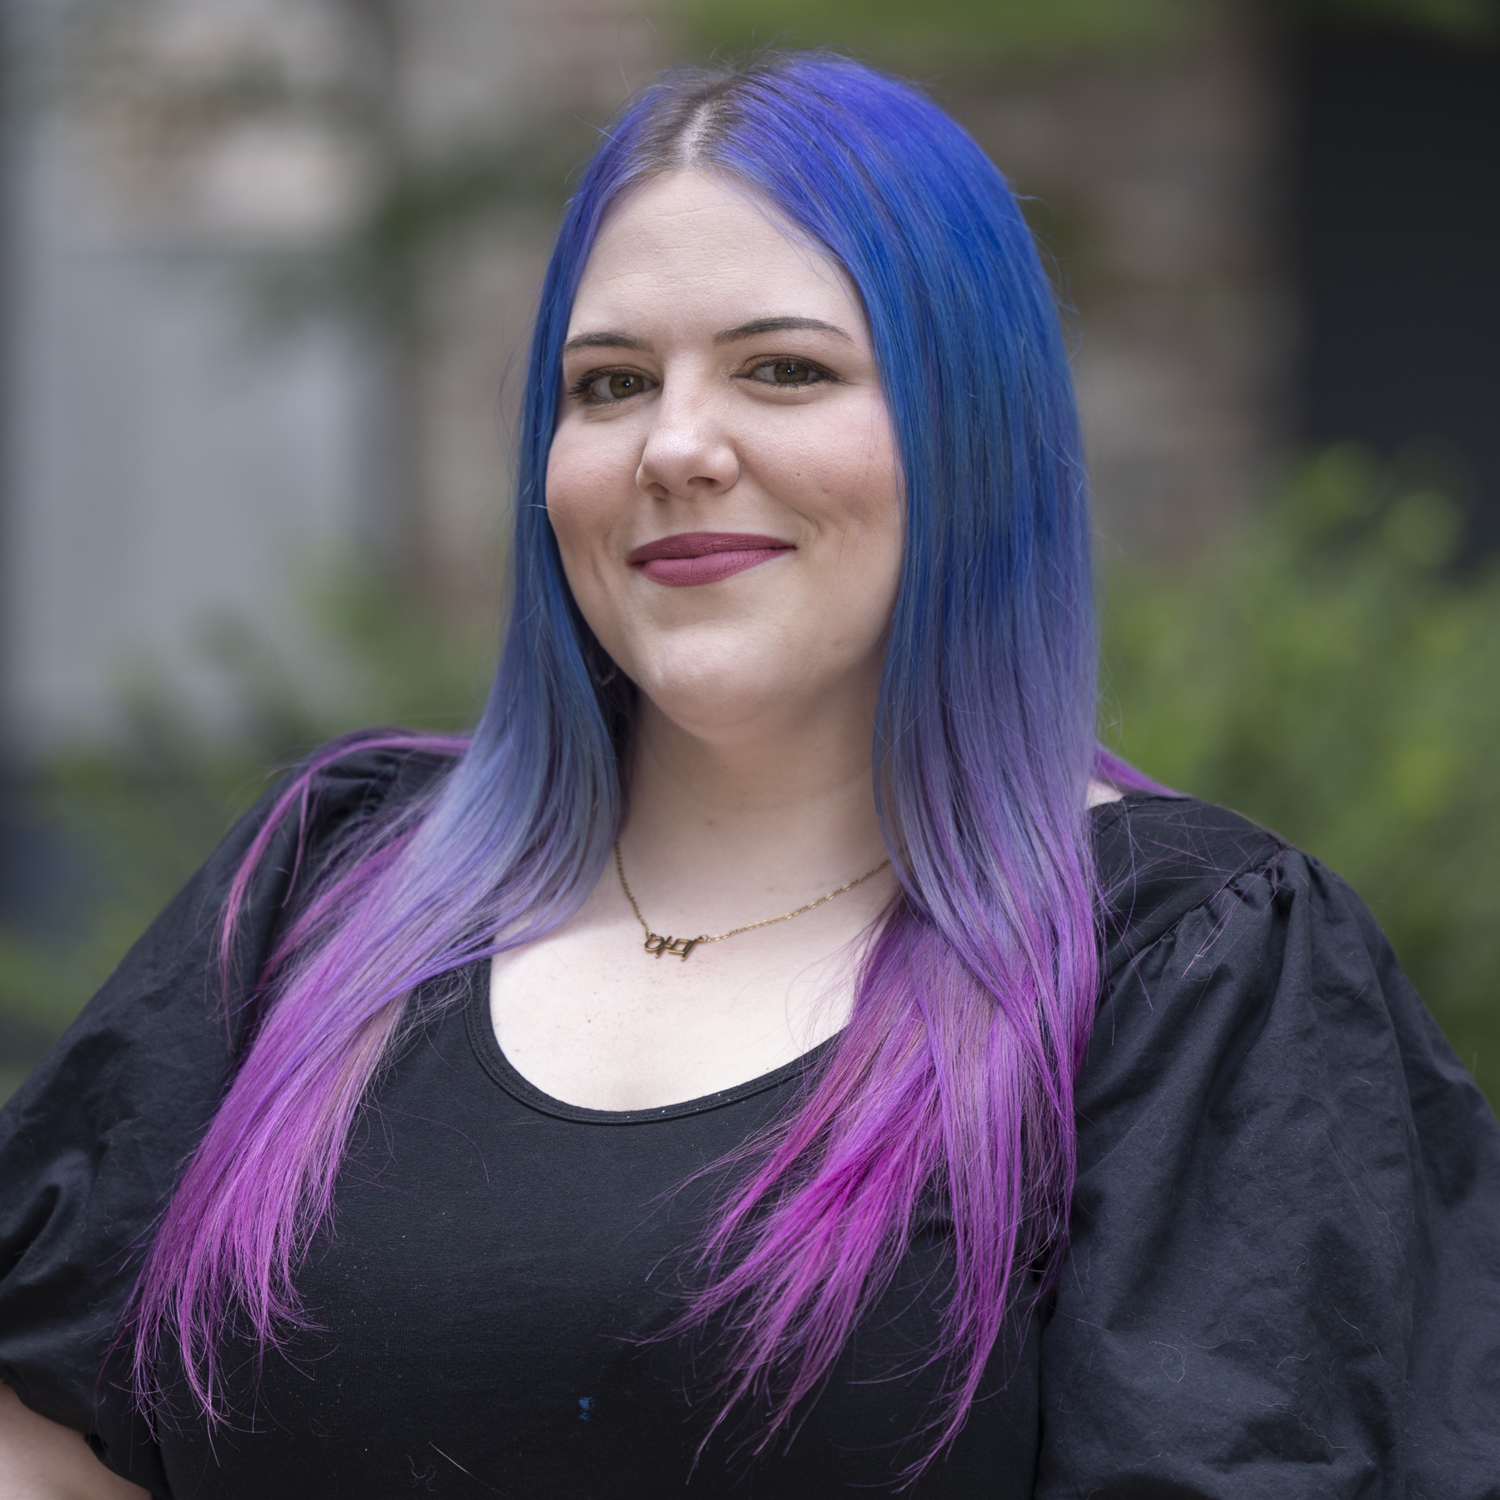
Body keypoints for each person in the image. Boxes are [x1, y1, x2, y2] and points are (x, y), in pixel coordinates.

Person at [1, 50, 1498, 1500]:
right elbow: (43, 1448)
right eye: (608, 384)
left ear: (972, 435)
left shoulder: (1192, 967)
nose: (678, 445)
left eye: (785, 369)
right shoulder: (324, 894)